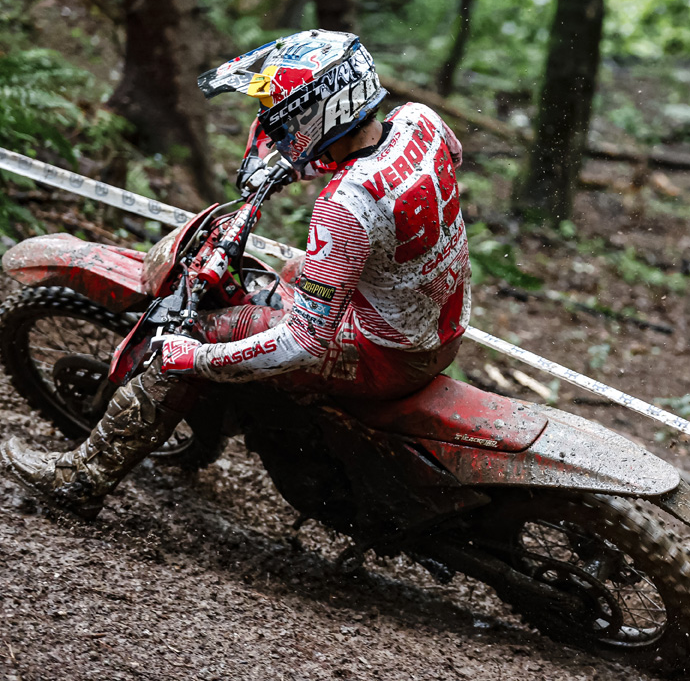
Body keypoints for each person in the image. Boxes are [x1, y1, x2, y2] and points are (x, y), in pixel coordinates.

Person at [2, 30, 471, 518]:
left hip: (386, 352)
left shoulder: (345, 208)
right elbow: (448, 161)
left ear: (322, 109)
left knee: (179, 347)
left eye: (285, 111)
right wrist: (302, 167)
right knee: (294, 271)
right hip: (436, 317)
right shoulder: (421, 121)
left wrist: (197, 356)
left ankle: (80, 480)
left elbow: (304, 343)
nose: (277, 122)